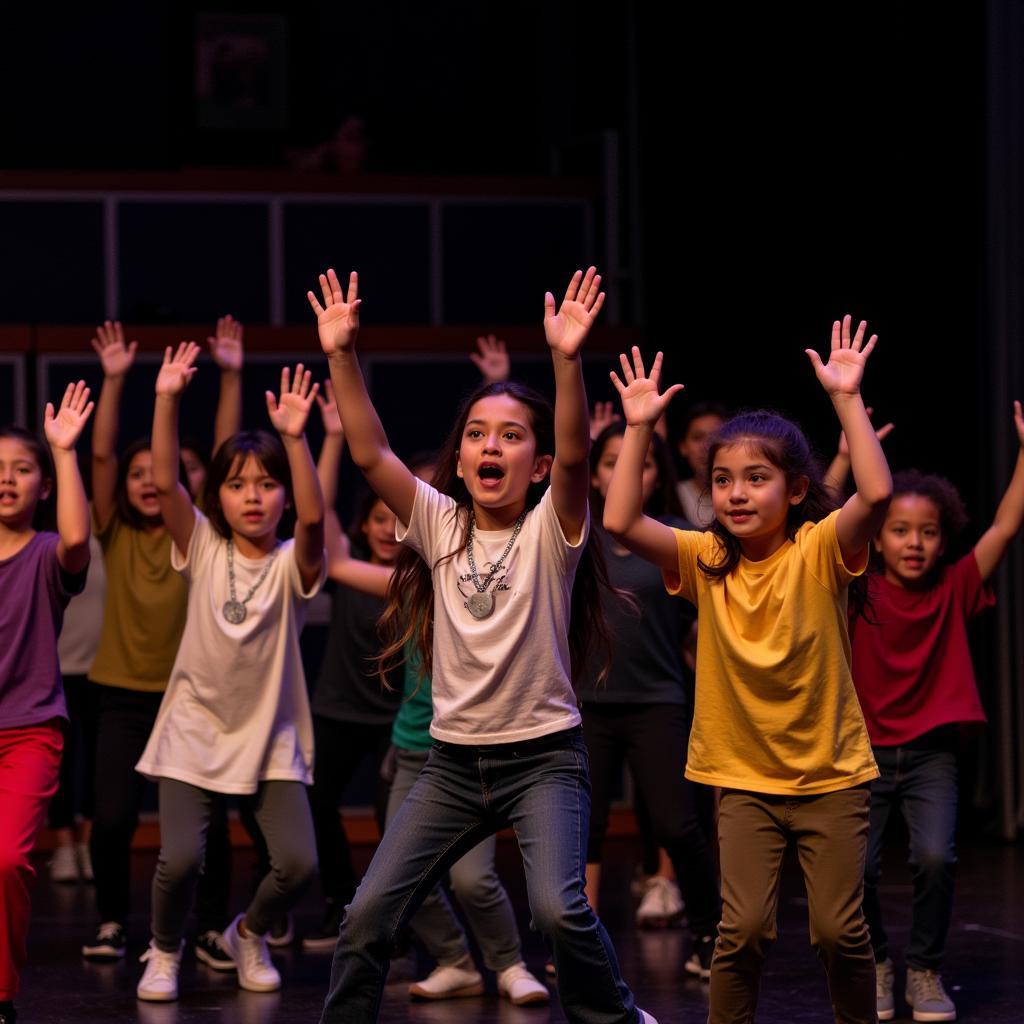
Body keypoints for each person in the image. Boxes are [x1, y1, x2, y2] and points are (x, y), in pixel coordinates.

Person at [310, 266, 656, 1024]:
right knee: (367, 917)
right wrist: (341, 355)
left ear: (532, 469)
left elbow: (573, 455)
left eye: (509, 436)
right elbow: (371, 456)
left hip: (543, 759)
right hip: (453, 763)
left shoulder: (551, 531)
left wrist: (566, 360)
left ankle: (619, 1017)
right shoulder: (437, 524)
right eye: (475, 435)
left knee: (561, 914)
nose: (489, 446)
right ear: (460, 461)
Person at [603, 318, 892, 1024]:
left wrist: (847, 399)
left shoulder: (821, 551)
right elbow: (619, 522)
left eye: (755, 479)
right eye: (723, 480)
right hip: (742, 778)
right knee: (742, 934)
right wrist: (641, 426)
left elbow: (876, 496)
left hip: (830, 775)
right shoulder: (706, 560)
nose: (735, 493)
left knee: (838, 932)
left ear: (794, 490)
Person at [133, 345, 324, 1002]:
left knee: (298, 864)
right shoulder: (203, 545)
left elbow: (318, 517)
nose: (253, 496)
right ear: (217, 493)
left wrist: (295, 442)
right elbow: (163, 481)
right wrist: (165, 398)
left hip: (268, 733)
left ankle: (252, 930)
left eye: (266, 484)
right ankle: (163, 950)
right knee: (180, 859)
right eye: (238, 483)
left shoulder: (292, 563)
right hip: (195, 726)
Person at [850, 401, 1024, 1023]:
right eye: (899, 530)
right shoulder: (857, 587)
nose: (914, 543)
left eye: (927, 532)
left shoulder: (955, 586)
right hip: (862, 752)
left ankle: (924, 969)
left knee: (934, 857)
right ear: (877, 536)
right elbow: (821, 522)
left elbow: (1004, 527)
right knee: (857, 869)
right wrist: (847, 456)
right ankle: (876, 962)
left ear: (943, 537)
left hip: (930, 753)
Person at [82, 319, 244, 963]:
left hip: (195, 696)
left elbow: (230, 447)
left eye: (164, 471)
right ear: (123, 486)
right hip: (120, 694)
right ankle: (112, 921)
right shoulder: (113, 531)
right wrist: (115, 381)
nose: (150, 481)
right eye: (137, 473)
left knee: (210, 825)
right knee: (115, 818)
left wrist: (231, 374)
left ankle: (208, 926)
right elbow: (98, 456)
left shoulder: (198, 532)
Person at [581, 421, 721, 974]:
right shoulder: (576, 535)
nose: (625, 472)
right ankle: (582, 945)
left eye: (639, 462)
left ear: (658, 472)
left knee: (676, 824)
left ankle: (710, 933)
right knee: (584, 827)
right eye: (611, 461)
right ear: (593, 473)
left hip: (659, 699)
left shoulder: (677, 535)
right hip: (588, 702)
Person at [0, 384, 94, 1024]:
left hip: (29, 730)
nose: (6, 481)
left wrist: (63, 451)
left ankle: (1, 992)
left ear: (41, 486)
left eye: (21, 469)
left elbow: (78, 539)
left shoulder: (43, 555)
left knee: (6, 860)